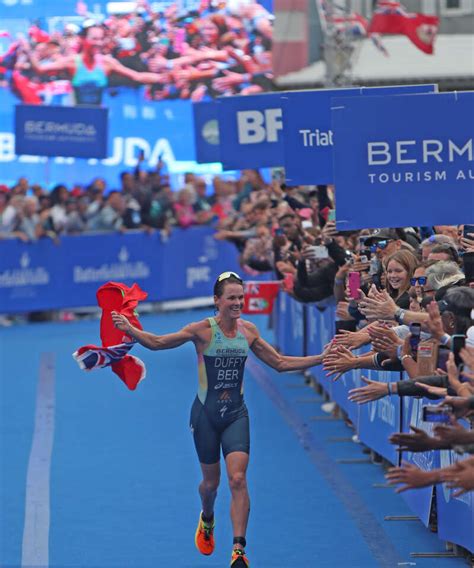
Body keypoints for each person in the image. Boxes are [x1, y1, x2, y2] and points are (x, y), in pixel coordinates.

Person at [111, 271, 324, 567]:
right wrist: (131, 329)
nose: (238, 303)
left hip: (236, 415)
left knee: (237, 478)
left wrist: (321, 358)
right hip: (205, 417)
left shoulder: (249, 332)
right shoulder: (202, 331)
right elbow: (158, 343)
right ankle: (207, 518)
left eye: (241, 297)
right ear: (217, 300)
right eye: (232, 298)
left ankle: (238, 550)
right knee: (210, 485)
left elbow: (280, 363)